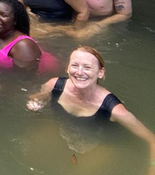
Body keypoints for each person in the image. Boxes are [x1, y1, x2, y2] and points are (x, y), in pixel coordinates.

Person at [27, 46, 155, 173]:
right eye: (75, 65)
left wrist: (152, 167)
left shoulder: (113, 109)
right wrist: (36, 103)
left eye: (87, 67)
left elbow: (151, 139)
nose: (80, 72)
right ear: (67, 68)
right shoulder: (54, 85)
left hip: (101, 144)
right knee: (31, 152)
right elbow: (36, 97)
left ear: (100, 72)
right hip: (65, 132)